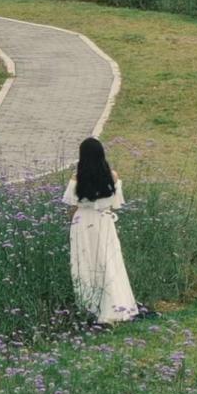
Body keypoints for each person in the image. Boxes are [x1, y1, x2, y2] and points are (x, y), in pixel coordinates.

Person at [62, 137, 139, 325]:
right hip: (104, 222)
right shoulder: (112, 176)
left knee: (86, 263)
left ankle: (90, 307)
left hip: (82, 223)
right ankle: (116, 305)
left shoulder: (77, 178)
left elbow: (71, 206)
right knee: (109, 262)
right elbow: (115, 204)